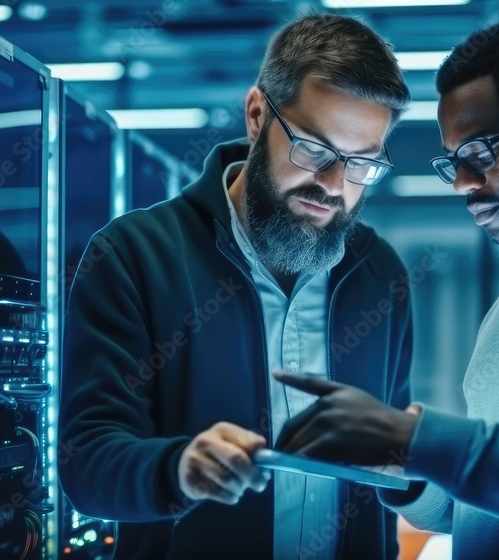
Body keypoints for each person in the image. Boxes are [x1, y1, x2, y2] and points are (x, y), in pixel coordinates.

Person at [58, 14, 414, 560]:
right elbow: (87, 464)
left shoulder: (378, 274)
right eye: (315, 152)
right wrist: (176, 469)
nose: (335, 187)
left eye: (362, 164)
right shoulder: (134, 255)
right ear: (256, 115)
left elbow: (387, 467)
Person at [276, 20, 499, 560]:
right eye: (453, 162)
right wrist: (396, 462)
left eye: (480, 155)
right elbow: (494, 506)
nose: (462, 183)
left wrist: (422, 439)